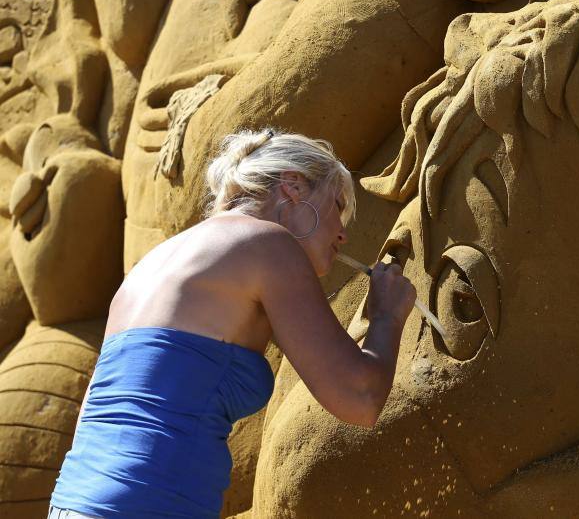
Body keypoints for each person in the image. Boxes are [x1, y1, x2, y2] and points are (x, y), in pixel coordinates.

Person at [46, 128, 417, 519]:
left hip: (73, 500)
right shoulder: (270, 243)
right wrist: (387, 315)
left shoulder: (148, 266)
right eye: (337, 205)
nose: (342, 232)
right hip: (149, 502)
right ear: (292, 186)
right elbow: (359, 399)